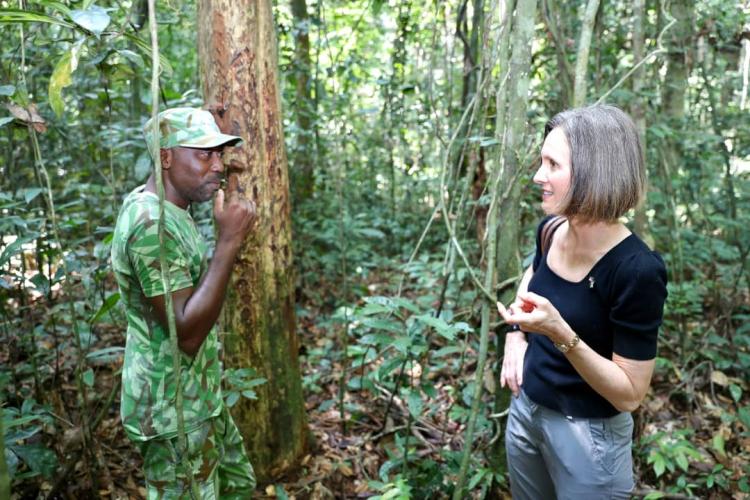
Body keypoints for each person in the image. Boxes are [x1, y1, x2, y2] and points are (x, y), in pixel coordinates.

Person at [496, 104, 668, 499]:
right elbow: (533, 276)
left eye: (553, 165)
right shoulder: (552, 229)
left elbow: (630, 393)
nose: (539, 176)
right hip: (527, 411)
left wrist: (559, 332)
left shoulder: (636, 270)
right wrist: (516, 337)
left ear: (595, 173)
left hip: (590, 436)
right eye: (542, 161)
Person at [111, 107, 257, 498]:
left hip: (196, 398)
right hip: (171, 411)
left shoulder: (172, 209)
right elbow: (186, 333)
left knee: (237, 485)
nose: (217, 166)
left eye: (219, 154)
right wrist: (228, 242)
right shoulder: (149, 224)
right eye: (204, 154)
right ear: (166, 157)